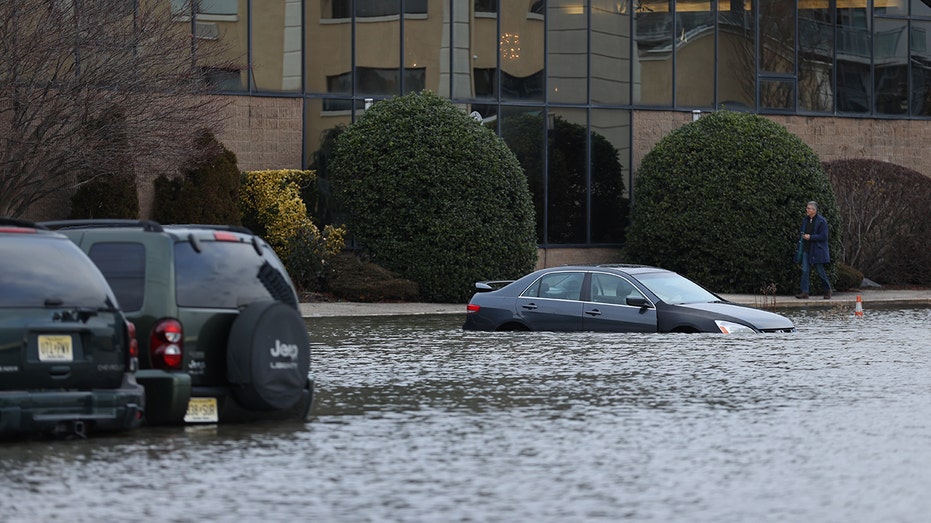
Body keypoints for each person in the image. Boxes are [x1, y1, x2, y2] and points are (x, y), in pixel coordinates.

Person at [796, 201, 832, 299]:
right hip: (807, 249)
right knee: (804, 270)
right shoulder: (805, 220)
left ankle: (827, 290)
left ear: (814, 210)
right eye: (807, 208)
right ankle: (805, 291)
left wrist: (811, 237)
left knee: (820, 271)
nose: (807, 210)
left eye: (809, 208)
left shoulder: (821, 221)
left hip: (817, 250)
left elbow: (824, 236)